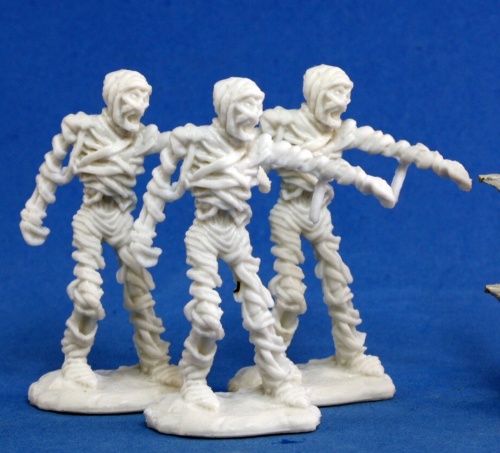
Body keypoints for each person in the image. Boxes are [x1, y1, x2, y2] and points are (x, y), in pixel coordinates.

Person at [20, 70, 179, 389]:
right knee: (89, 295)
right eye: (133, 96)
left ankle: (154, 362)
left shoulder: (143, 137)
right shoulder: (84, 129)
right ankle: (75, 359)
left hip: (123, 220)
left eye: (145, 97)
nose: (140, 105)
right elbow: (52, 167)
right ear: (113, 97)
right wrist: (35, 210)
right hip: (91, 218)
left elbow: (178, 142)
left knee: (140, 290)